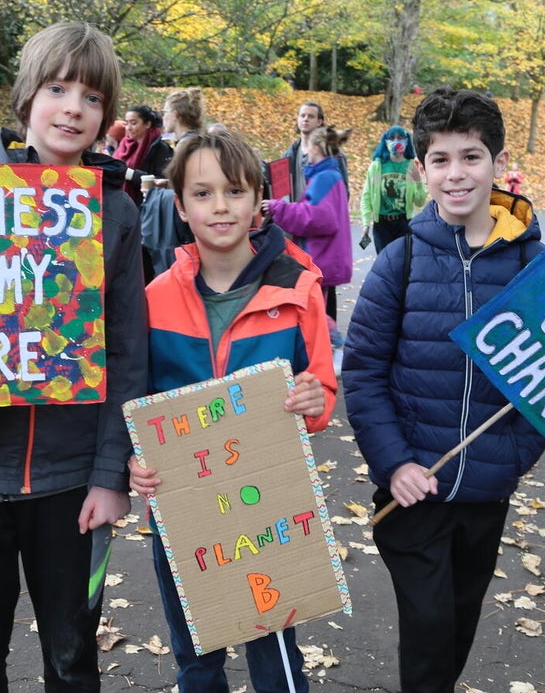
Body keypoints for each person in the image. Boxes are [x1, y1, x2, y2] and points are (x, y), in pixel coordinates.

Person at [0, 21, 147, 693]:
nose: (73, 107)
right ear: (27, 99)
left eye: (91, 96)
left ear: (107, 115)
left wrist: (111, 474)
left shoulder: (116, 213)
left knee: (73, 661)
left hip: (72, 483)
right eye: (57, 88)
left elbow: (127, 350)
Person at [342, 87, 545, 693]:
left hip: (487, 489)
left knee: (457, 624)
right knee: (429, 629)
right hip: (413, 494)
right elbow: (363, 371)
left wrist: (514, 456)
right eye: (441, 159)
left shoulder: (533, 266)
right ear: (420, 169)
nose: (456, 174)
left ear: (498, 162)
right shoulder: (400, 261)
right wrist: (395, 462)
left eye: (471, 156)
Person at [128, 128, 336, 693]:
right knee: (196, 657)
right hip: (182, 511)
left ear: (258, 200)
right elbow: (136, 407)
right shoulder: (153, 300)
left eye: (235, 191)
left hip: (269, 506)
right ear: (180, 205)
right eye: (202, 193)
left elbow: (320, 392)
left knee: (276, 653)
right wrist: (133, 462)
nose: (220, 206)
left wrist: (314, 402)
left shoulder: (299, 289)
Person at [263, 125, 353, 322]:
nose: (306, 151)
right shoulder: (330, 175)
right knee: (317, 311)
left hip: (320, 257)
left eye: (309, 147)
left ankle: (329, 341)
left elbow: (317, 217)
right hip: (326, 256)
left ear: (317, 148)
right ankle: (328, 341)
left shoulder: (324, 178)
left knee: (313, 314)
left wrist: (278, 208)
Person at [359, 125, 426, 254]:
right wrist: (366, 224)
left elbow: (419, 202)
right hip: (382, 225)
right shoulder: (377, 167)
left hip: (404, 223)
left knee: (403, 262)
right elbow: (366, 196)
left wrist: (418, 181)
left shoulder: (412, 165)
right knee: (384, 263)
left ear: (407, 141)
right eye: (392, 138)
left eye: (400, 138)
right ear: (386, 141)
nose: (396, 141)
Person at [279, 101, 349, 200]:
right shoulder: (289, 154)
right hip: (295, 212)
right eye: (302, 116)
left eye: (310, 116)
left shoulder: (333, 155)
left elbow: (343, 192)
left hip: (320, 213)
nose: (305, 119)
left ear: (319, 122)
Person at [115, 104, 173, 196]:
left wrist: (132, 175)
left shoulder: (160, 148)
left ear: (147, 124)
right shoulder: (123, 146)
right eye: (126, 123)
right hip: (122, 201)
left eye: (133, 123)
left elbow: (163, 180)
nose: (129, 128)